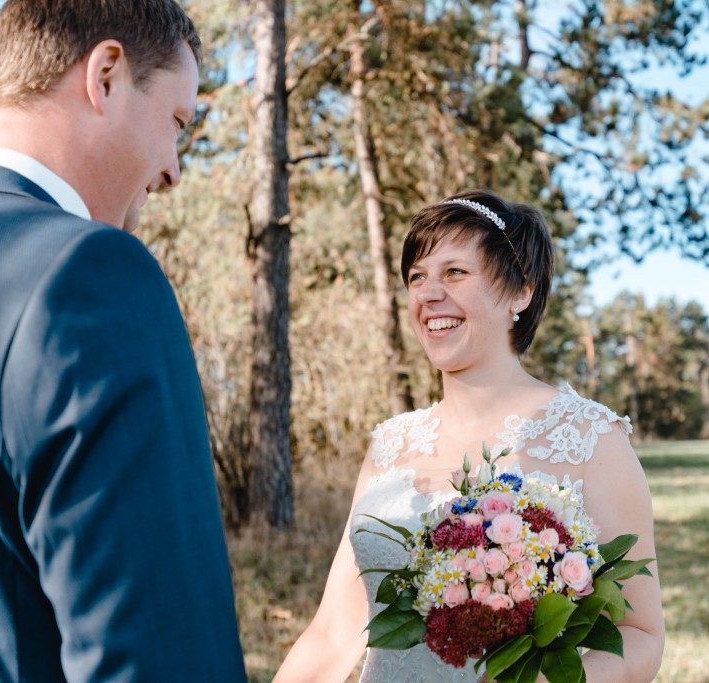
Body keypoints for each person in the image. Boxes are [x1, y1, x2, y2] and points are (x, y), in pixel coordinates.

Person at [0, 1, 247, 680]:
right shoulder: (92, 276)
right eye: (176, 123)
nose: (173, 170)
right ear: (107, 76)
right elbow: (161, 658)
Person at [274, 189, 664, 682]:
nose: (428, 293)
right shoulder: (390, 444)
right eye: (417, 276)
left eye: (455, 272)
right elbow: (335, 632)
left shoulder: (591, 440)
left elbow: (640, 635)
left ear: (520, 290)